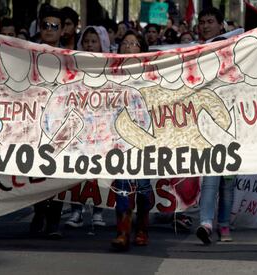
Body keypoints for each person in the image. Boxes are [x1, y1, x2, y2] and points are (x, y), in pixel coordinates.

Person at [194, 6, 235, 245]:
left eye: (210, 21)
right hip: (207, 126)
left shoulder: (235, 50)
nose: (206, 25)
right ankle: (206, 223)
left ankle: (225, 224)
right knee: (210, 178)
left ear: (221, 25)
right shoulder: (195, 53)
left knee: (228, 183)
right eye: (203, 22)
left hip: (232, 126)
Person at [64, 25, 110, 229]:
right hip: (80, 128)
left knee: (101, 172)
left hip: (103, 127)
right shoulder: (75, 66)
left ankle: (98, 211)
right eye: (87, 41)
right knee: (79, 172)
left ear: (102, 43)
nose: (90, 45)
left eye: (94, 41)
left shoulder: (111, 67)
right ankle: (76, 211)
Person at [111, 30, 151, 251]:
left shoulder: (152, 76)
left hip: (145, 142)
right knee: (122, 186)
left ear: (142, 49)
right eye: (124, 43)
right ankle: (123, 231)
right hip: (120, 142)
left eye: (134, 43)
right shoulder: (111, 76)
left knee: (144, 187)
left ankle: (142, 227)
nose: (128, 47)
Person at [30, 7, 65, 239]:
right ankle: (39, 212)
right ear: (40, 28)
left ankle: (54, 220)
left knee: (59, 173)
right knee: (35, 171)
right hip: (33, 121)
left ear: (61, 30)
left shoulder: (71, 56)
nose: (49, 30)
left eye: (54, 26)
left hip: (61, 123)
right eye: (46, 26)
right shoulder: (27, 53)